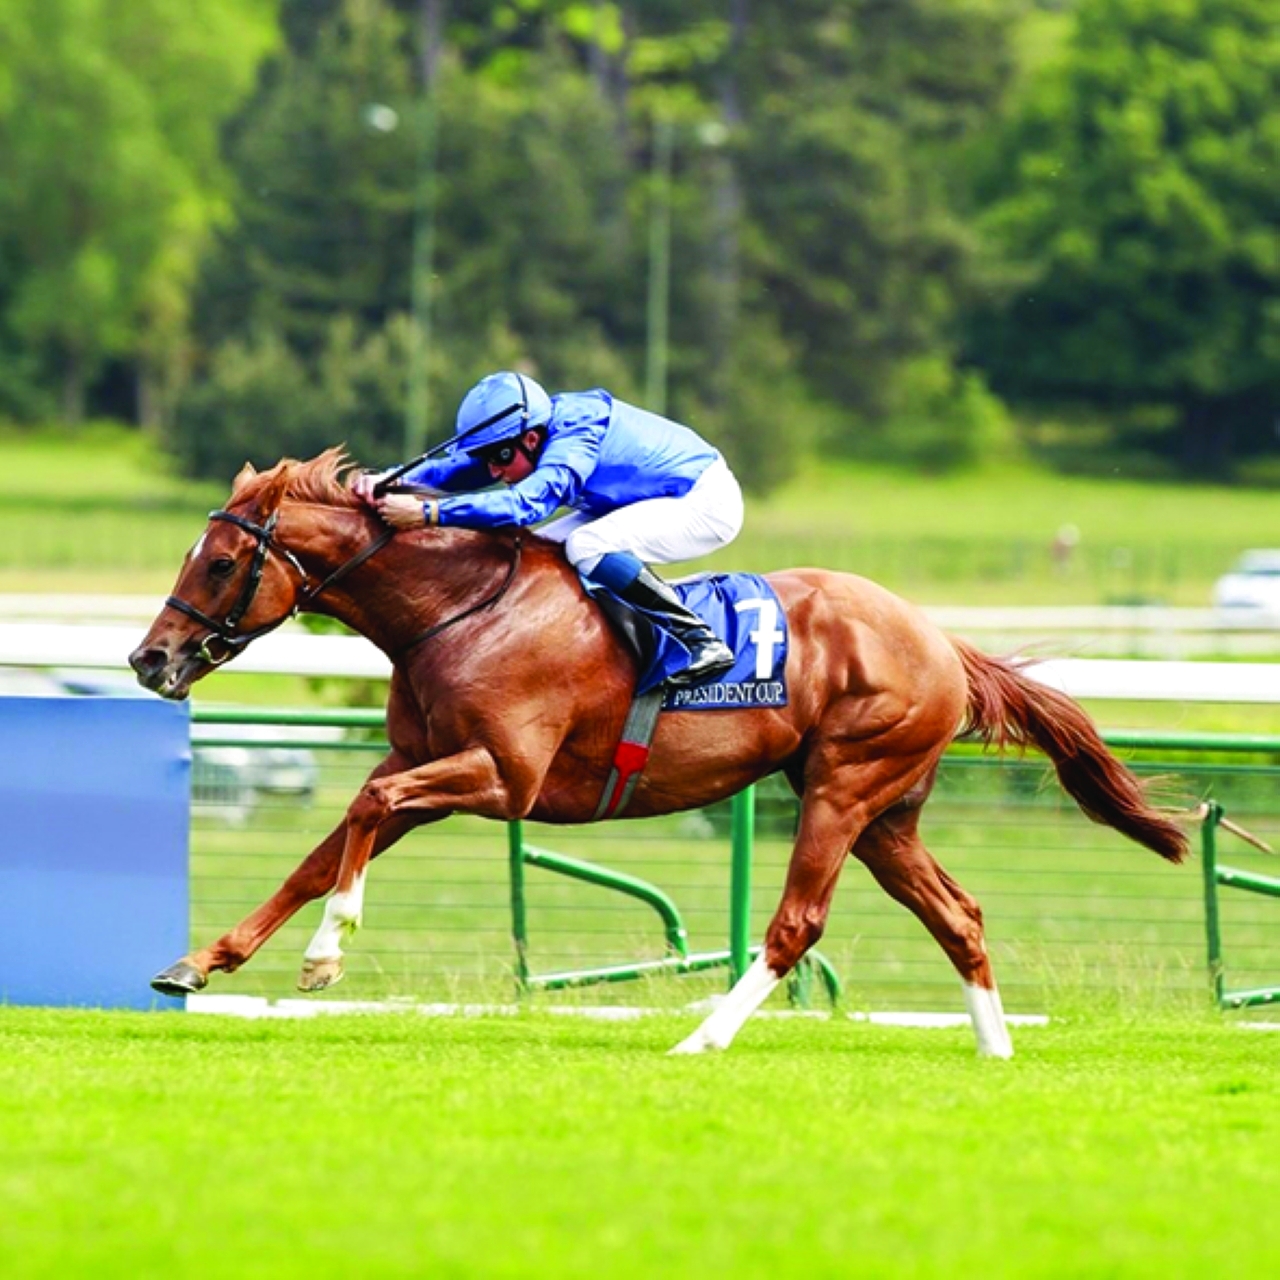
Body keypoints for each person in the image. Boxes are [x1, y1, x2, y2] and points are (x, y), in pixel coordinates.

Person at [353, 370, 743, 686]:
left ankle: (700, 640)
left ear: (531, 438)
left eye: (499, 457)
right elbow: (461, 469)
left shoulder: (575, 439)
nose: (493, 471)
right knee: (534, 551)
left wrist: (430, 513)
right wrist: (392, 478)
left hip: (705, 501)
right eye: (486, 458)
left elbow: (526, 505)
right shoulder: (530, 433)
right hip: (635, 498)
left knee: (586, 545)